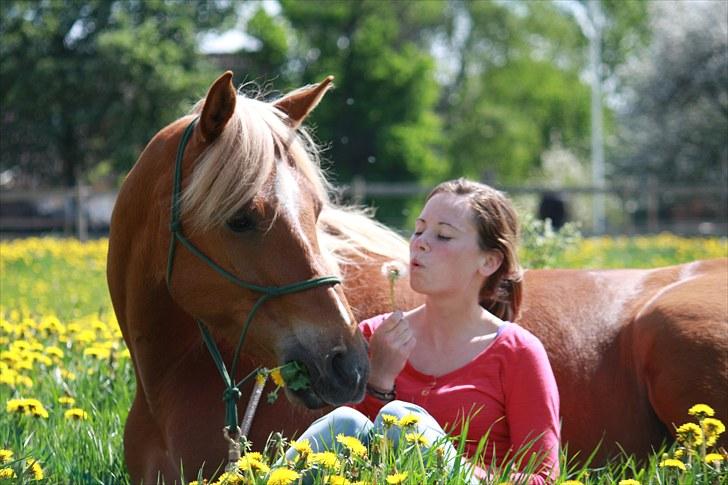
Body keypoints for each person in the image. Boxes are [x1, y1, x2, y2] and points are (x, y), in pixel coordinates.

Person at [287, 178, 560, 484]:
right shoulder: (376, 336)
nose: (420, 242)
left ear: (489, 261)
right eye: (418, 230)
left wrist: (451, 465)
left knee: (406, 421)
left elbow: (543, 478)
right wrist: (379, 380)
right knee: (342, 423)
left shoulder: (518, 353)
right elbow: (351, 460)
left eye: (443, 235)